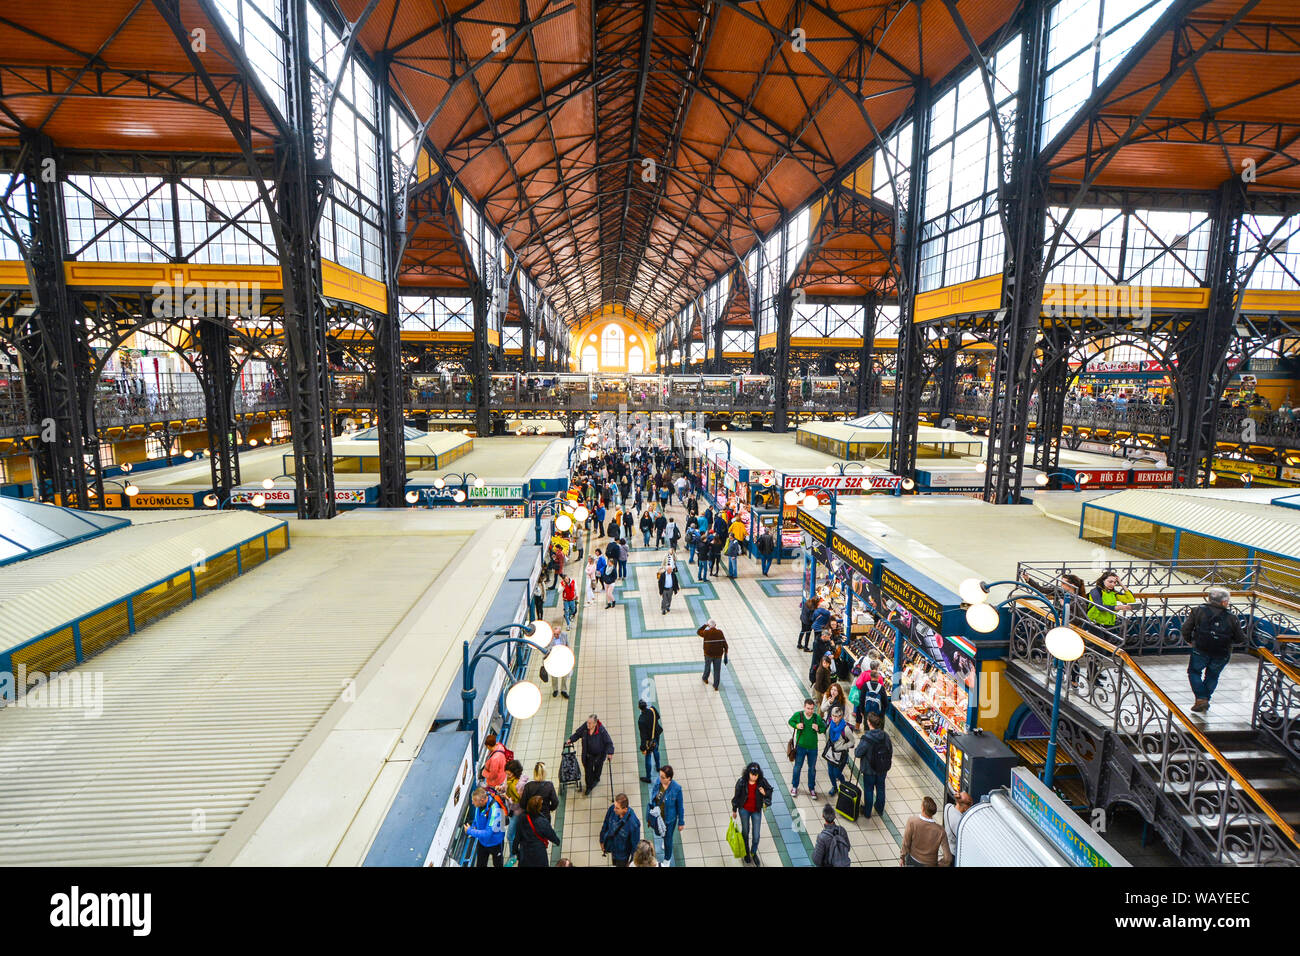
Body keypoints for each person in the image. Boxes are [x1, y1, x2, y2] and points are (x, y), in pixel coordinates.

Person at [1182, 586, 1245, 712]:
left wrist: (1189, 640)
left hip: (1201, 648)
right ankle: (1204, 699)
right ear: (1224, 602)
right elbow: (1240, 638)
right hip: (1222, 652)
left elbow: (1186, 628)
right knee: (1213, 675)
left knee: (1194, 672)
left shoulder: (1198, 610)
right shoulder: (1232, 617)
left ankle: (1201, 698)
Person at [731, 762, 774, 865]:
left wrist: (765, 793)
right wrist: (734, 809)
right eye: (752, 774)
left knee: (756, 835)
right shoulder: (742, 782)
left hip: (756, 811)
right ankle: (746, 852)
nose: (754, 777)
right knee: (745, 832)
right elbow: (736, 796)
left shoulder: (762, 782)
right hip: (744, 810)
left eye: (756, 775)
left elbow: (770, 790)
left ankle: (753, 852)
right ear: (748, 773)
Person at [854, 711, 892, 819]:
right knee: (881, 788)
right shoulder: (885, 736)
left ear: (869, 723)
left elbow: (858, 753)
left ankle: (867, 812)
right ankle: (879, 809)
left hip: (869, 770)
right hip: (882, 769)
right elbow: (890, 751)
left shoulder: (867, 738)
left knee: (869, 790)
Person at [567, 714, 615, 796]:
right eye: (587, 722)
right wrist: (571, 739)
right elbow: (578, 734)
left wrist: (610, 753)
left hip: (599, 756)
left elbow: (609, 742)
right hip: (588, 755)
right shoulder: (585, 728)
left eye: (590, 723)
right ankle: (589, 786)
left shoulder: (601, 731)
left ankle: (596, 779)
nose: (587, 724)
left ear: (595, 723)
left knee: (598, 769)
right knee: (588, 772)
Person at [788, 698, 827, 798]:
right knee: (797, 767)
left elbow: (823, 728)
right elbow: (790, 721)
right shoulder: (799, 715)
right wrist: (796, 725)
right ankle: (795, 786)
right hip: (800, 747)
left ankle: (812, 788)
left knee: (812, 769)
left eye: (812, 709)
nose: (810, 711)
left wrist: (818, 728)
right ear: (804, 707)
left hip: (813, 748)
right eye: (808, 708)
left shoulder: (816, 717)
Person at [901, 796, 953, 866]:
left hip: (912, 860)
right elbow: (948, 858)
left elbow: (906, 842)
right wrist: (939, 864)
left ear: (922, 808)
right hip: (930, 863)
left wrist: (902, 857)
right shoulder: (940, 831)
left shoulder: (912, 821)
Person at [649, 766, 685, 866]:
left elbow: (680, 806)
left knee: (668, 840)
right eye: (660, 776)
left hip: (669, 820)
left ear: (669, 778)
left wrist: (681, 822)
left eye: (663, 777)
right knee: (660, 833)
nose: (660, 779)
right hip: (658, 817)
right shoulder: (658, 781)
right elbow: (654, 794)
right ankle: (664, 839)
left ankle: (667, 859)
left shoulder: (676, 789)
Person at [512, 794, 561, 868]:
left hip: (525, 852)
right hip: (538, 852)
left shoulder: (522, 817)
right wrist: (557, 841)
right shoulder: (541, 821)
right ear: (538, 808)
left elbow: (517, 836)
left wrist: (515, 850)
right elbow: (550, 834)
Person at [464, 787, 507, 867]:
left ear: (482, 801)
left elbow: (488, 833)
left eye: (474, 801)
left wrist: (470, 831)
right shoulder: (479, 806)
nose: (472, 803)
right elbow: (477, 819)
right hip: (482, 842)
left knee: (498, 864)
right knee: (480, 864)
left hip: (495, 843)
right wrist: (473, 826)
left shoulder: (495, 810)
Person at [1086, 570, 1137, 634]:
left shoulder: (1113, 593)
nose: (1113, 584)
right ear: (1103, 581)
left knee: (1107, 642)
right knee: (1100, 643)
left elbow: (1131, 600)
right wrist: (1118, 607)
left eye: (1115, 582)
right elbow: (1100, 607)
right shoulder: (1095, 591)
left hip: (1109, 623)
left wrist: (1121, 584)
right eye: (1110, 582)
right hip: (1095, 622)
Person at [598, 793, 641, 866]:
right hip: (612, 847)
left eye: (617, 808)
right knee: (615, 863)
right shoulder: (612, 809)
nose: (614, 809)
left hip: (622, 856)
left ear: (625, 809)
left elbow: (635, 845)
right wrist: (602, 841)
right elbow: (605, 824)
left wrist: (631, 862)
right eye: (615, 806)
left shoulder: (633, 824)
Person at [697, 618, 729, 691]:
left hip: (708, 654)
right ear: (715, 625)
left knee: (707, 667)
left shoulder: (706, 633)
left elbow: (698, 631)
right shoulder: (720, 632)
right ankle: (716, 686)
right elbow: (724, 643)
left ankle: (705, 678)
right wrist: (726, 651)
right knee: (717, 670)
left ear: (708, 626)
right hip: (718, 655)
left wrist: (705, 625)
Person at [638, 698, 663, 783]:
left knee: (648, 757)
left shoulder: (641, 720)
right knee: (656, 750)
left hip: (649, 741)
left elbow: (643, 736)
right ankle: (658, 767)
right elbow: (658, 717)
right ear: (646, 705)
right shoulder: (652, 709)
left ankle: (648, 777)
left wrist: (643, 748)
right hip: (656, 735)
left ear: (639, 708)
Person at [944, 790, 973, 855]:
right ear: (965, 807)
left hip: (947, 845)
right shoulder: (960, 822)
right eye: (970, 806)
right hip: (954, 852)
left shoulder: (948, 807)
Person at [548, 628, 571, 699]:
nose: (555, 635)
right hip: (554, 659)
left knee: (564, 675)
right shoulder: (550, 638)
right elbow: (547, 648)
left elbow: (567, 645)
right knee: (554, 675)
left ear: (560, 633)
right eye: (554, 634)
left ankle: (563, 690)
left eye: (557, 634)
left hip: (563, 658)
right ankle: (555, 689)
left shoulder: (564, 635)